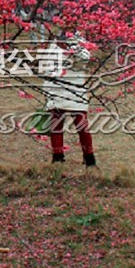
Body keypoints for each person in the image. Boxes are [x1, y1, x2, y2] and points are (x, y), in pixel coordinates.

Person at [41, 32, 98, 172]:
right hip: (56, 89)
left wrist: (69, 48)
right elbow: (47, 65)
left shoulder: (79, 41)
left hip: (75, 88)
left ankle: (89, 158)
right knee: (56, 124)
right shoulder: (54, 41)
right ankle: (57, 157)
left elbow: (85, 58)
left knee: (81, 124)